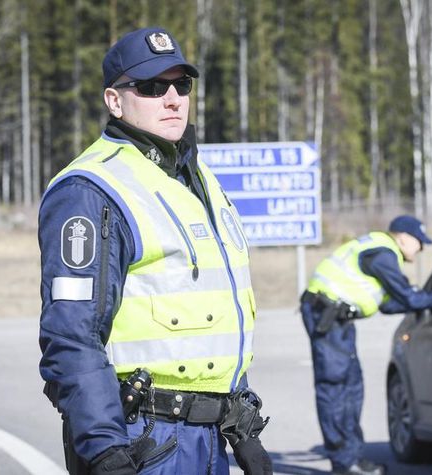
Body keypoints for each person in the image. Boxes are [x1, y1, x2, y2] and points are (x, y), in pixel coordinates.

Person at [38, 27, 271, 475]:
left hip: (207, 440)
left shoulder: (197, 179)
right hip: (143, 439)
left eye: (181, 84)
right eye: (150, 86)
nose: (172, 98)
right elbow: (71, 336)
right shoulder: (92, 189)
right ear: (114, 100)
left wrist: (245, 427)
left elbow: (215, 317)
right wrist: (106, 453)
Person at [300, 215, 432, 475]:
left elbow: (390, 303)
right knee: (336, 388)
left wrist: (427, 300)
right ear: (402, 237)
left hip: (337, 320)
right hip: (327, 318)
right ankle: (344, 462)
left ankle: (353, 457)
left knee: (352, 387)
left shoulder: (379, 253)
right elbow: (407, 297)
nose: (421, 248)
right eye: (419, 242)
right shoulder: (382, 255)